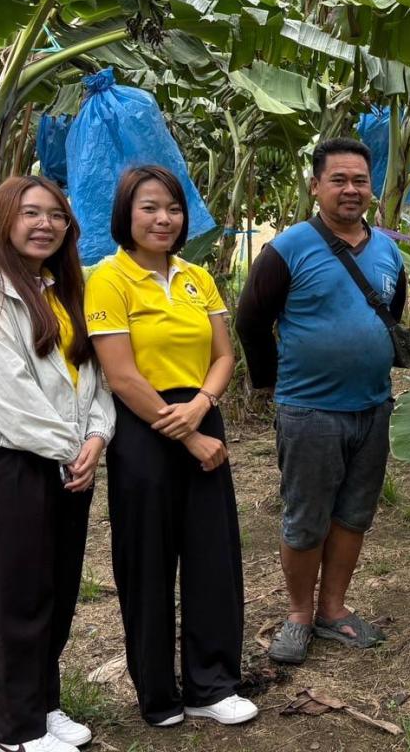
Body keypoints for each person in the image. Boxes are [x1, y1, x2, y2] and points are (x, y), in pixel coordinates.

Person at [0, 176, 114, 752]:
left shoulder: (61, 289)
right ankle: (13, 734)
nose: (46, 224)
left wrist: (97, 437)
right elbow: (7, 394)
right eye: (31, 213)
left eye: (57, 215)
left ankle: (43, 706)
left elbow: (90, 378)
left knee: (57, 590)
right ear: (4, 218)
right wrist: (72, 449)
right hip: (7, 463)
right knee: (16, 596)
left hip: (67, 462)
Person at [84, 165, 256, 727]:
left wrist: (203, 406)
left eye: (173, 209)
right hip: (144, 429)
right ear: (125, 216)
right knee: (147, 561)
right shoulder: (107, 278)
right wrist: (188, 434)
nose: (163, 219)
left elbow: (224, 354)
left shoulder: (197, 277)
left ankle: (213, 684)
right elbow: (121, 374)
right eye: (149, 208)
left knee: (213, 556)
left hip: (200, 414)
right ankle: (157, 694)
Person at [236, 137, 407, 664]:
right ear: (316, 187)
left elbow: (393, 311)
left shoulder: (387, 249)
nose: (351, 189)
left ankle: (333, 608)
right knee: (306, 517)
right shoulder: (288, 248)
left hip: (373, 406)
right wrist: (271, 384)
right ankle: (298, 615)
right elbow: (250, 319)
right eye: (339, 180)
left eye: (359, 180)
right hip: (310, 410)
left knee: (354, 514)